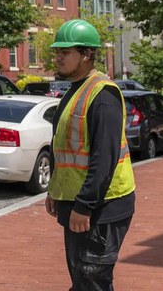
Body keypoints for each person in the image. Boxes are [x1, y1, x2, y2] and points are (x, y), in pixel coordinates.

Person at [44, 19, 136, 291]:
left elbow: (103, 158)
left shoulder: (102, 94)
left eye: (66, 52)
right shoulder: (76, 90)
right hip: (77, 204)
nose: (58, 57)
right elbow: (65, 148)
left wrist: (84, 206)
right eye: (57, 51)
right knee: (83, 281)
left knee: (93, 281)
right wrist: (55, 191)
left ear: (86, 54)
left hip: (101, 208)